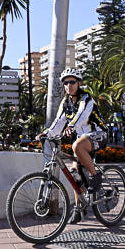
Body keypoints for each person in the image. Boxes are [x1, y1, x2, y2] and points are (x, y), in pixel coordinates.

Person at [39, 68, 108, 222]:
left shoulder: (86, 98)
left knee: (76, 146)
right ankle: (79, 207)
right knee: (74, 174)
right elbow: (58, 122)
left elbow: (82, 116)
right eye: (66, 82)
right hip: (81, 138)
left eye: (72, 82)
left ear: (79, 83)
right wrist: (47, 134)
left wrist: (71, 126)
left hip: (99, 134)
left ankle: (95, 176)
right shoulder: (66, 102)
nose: (69, 85)